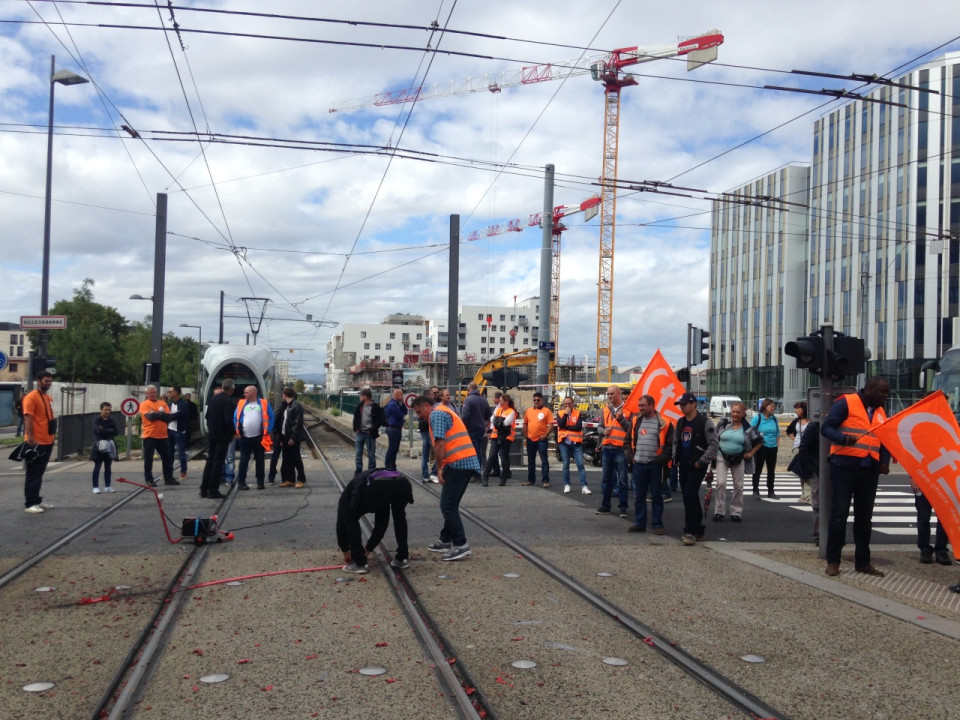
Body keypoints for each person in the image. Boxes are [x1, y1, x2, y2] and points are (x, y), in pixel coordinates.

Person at [821, 377, 891, 577]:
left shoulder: (880, 411)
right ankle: (833, 561)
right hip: (844, 466)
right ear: (869, 389)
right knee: (839, 515)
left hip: (869, 469)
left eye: (887, 393)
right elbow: (826, 428)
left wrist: (884, 461)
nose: (885, 397)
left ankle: (863, 562)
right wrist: (843, 439)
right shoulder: (847, 402)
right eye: (882, 392)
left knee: (864, 518)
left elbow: (884, 438)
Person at [413, 394, 481, 562]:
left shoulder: (436, 414)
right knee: (450, 503)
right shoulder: (443, 410)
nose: (418, 415)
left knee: (448, 505)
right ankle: (445, 539)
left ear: (427, 406)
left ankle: (460, 545)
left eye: (419, 411)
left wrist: (439, 467)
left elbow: (440, 443)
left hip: (458, 463)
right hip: (464, 461)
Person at [337, 468, 414, 573]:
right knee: (399, 516)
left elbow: (341, 524)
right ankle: (403, 557)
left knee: (349, 515)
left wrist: (346, 551)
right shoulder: (366, 486)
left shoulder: (349, 495)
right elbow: (381, 524)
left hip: (379, 486)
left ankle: (359, 564)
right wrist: (368, 550)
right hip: (402, 482)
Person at [672, 391, 719, 545]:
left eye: (685, 404)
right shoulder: (680, 422)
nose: (682, 407)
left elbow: (713, 444)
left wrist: (702, 461)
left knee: (689, 495)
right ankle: (698, 529)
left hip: (697, 465)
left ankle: (690, 530)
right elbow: (676, 441)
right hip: (683, 464)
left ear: (693, 404)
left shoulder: (705, 422)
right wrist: (675, 458)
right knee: (689, 497)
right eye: (680, 405)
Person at [627, 394, 674, 534]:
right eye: (639, 405)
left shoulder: (664, 422)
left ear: (652, 405)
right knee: (639, 496)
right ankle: (640, 523)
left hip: (655, 466)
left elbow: (670, 445)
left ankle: (657, 524)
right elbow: (627, 441)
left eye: (643, 405)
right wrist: (630, 457)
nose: (640, 408)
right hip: (639, 464)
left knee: (656, 496)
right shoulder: (635, 420)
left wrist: (660, 460)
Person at [712, 401, 762, 522]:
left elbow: (759, 441)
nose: (735, 414)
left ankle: (736, 512)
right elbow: (714, 438)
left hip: (739, 458)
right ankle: (719, 511)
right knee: (720, 483)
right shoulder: (723, 423)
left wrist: (750, 453)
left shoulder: (748, 428)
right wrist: (713, 452)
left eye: (738, 412)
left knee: (738, 486)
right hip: (721, 457)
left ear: (743, 414)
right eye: (733, 412)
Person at [21, 370, 56, 513]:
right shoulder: (31, 398)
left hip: (48, 440)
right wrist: (30, 438)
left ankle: (36, 500)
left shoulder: (48, 398)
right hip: (36, 442)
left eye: (50, 381)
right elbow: (28, 418)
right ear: (39, 381)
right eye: (46, 381)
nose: (48, 383)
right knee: (33, 473)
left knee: (39, 472)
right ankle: (30, 503)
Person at [595, 385, 632, 517]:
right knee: (606, 479)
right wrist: (603, 431)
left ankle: (623, 507)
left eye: (611, 394)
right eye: (608, 394)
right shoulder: (606, 410)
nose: (609, 396)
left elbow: (631, 429)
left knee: (622, 480)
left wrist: (621, 419)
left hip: (620, 448)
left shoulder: (628, 410)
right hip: (607, 448)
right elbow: (599, 427)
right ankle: (605, 505)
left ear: (619, 394)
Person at [200, 379, 236, 499]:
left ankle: (204, 489)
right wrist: (233, 433)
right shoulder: (228, 401)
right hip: (223, 436)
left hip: (212, 434)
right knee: (218, 462)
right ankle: (213, 490)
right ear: (232, 389)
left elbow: (207, 416)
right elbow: (228, 420)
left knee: (210, 461)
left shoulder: (213, 399)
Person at [234, 384, 275, 490]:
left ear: (253, 393)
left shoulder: (264, 403)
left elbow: (271, 417)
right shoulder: (241, 403)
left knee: (260, 460)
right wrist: (237, 430)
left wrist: (268, 431)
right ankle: (241, 482)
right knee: (244, 460)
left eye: (246, 392)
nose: (244, 394)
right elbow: (235, 418)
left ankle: (260, 482)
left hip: (259, 437)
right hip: (244, 437)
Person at [790, 418, 821, 545]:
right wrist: (809, 470)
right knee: (818, 503)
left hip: (835, 469)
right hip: (817, 469)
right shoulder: (814, 426)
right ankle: (819, 535)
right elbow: (804, 449)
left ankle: (834, 534)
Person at [140, 384, 177, 488]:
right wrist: (161, 414)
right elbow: (149, 416)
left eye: (154, 392)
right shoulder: (144, 404)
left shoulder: (162, 403)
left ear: (157, 393)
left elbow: (169, 417)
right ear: (147, 394)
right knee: (149, 459)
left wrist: (156, 414)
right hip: (149, 435)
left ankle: (168, 478)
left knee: (167, 457)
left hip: (163, 436)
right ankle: (149, 479)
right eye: (150, 393)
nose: (152, 394)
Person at [913, 479, 952, 566]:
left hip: (943, 483)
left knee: (944, 519)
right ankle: (925, 549)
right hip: (922, 480)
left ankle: (941, 550)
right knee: (923, 518)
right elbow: (913, 464)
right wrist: (913, 478)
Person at [556, 395, 591, 495]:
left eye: (569, 403)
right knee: (566, 464)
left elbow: (578, 427)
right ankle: (567, 485)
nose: (567, 405)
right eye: (565, 403)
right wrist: (566, 415)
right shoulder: (560, 413)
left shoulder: (578, 413)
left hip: (576, 443)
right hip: (564, 442)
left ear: (573, 404)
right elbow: (561, 425)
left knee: (580, 464)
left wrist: (567, 428)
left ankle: (584, 486)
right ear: (563, 404)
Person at [482, 393, 516, 487]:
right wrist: (500, 420)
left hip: (506, 437)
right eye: (500, 401)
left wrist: (498, 420)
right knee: (492, 456)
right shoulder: (499, 409)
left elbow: (506, 422)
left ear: (506, 402)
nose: (500, 403)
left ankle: (503, 478)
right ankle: (485, 477)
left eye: (502, 401)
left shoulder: (511, 411)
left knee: (504, 458)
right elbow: (492, 419)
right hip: (496, 436)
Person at [277, 386, 308, 488]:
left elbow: (298, 423)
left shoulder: (296, 406)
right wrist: (281, 438)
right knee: (287, 459)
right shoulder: (287, 406)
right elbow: (284, 422)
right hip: (285, 436)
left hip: (292, 437)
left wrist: (293, 438)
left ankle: (301, 479)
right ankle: (290, 479)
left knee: (296, 459)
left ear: (284, 395)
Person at [522, 392, 554, 488]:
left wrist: (545, 435)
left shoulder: (546, 411)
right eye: (534, 400)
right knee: (531, 461)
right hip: (530, 439)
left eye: (538, 400)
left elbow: (551, 424)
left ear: (542, 400)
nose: (536, 401)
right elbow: (525, 423)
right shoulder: (529, 411)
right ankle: (531, 480)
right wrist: (525, 434)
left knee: (544, 460)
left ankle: (545, 480)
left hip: (541, 440)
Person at [750, 398, 780, 499]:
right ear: (765, 406)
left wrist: (777, 445)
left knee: (771, 469)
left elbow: (778, 433)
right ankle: (755, 489)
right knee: (758, 469)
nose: (773, 408)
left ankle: (771, 490)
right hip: (760, 447)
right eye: (771, 406)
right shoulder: (757, 418)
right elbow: (750, 432)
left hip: (773, 447)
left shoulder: (774, 419)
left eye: (773, 406)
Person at [460, 381, 491, 472]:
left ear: (469, 389)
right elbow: (488, 415)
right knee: (480, 451)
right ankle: (480, 470)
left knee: (474, 451)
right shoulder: (483, 400)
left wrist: (462, 427)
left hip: (471, 429)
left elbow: (464, 415)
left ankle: (476, 473)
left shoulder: (468, 400)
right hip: (481, 429)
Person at [352, 387, 385, 474]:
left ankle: (371, 471)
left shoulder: (375, 407)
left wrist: (373, 429)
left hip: (370, 434)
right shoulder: (360, 406)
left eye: (361, 396)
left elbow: (379, 420)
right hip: (360, 433)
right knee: (358, 453)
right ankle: (358, 470)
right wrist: (356, 428)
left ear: (365, 396)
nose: (360, 397)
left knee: (371, 454)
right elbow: (356, 418)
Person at [786, 401, 811, 501]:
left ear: (804, 409)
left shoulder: (811, 421)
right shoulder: (796, 421)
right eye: (795, 408)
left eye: (797, 408)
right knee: (800, 472)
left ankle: (809, 495)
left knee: (807, 471)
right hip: (798, 448)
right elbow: (788, 431)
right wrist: (795, 439)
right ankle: (804, 494)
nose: (796, 410)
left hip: (808, 449)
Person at [91, 402, 119, 494]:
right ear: (101, 409)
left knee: (108, 467)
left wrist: (104, 430)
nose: (108, 411)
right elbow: (97, 431)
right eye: (105, 409)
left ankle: (108, 486)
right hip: (99, 445)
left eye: (109, 409)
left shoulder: (111, 420)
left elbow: (116, 432)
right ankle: (95, 487)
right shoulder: (97, 420)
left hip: (109, 444)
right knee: (97, 466)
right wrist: (107, 431)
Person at [166, 386, 190, 481]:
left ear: (176, 392)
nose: (169, 393)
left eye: (170, 391)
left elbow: (179, 415)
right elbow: (166, 414)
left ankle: (183, 472)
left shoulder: (183, 404)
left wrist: (169, 416)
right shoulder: (169, 404)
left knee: (181, 453)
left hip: (179, 431)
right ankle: (168, 472)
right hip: (169, 430)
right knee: (169, 453)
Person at [418, 386, 440, 482]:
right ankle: (431, 473)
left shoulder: (428, 404)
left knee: (427, 453)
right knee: (435, 450)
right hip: (427, 431)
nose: (434, 396)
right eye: (432, 394)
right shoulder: (426, 406)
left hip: (426, 430)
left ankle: (426, 475)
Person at [383, 388, 408, 471]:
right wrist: (403, 418)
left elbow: (405, 411)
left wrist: (403, 402)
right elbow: (401, 415)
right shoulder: (392, 404)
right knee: (392, 448)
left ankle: (392, 465)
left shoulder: (397, 404)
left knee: (395, 448)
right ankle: (388, 465)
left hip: (397, 428)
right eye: (401, 394)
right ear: (397, 394)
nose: (402, 396)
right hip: (393, 428)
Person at [484, 391, 503, 478]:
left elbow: (495, 421)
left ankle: (502, 471)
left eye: (494, 397)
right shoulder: (497, 408)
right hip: (495, 433)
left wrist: (490, 431)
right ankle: (496, 470)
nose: (493, 399)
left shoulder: (501, 408)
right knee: (494, 454)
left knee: (500, 454)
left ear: (498, 399)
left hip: (500, 434)